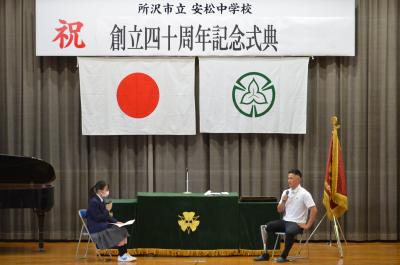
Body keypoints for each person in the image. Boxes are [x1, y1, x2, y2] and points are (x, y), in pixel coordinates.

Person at [254, 169, 317, 263]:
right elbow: (279, 210)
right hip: (285, 221)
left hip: (297, 223)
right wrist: (283, 201)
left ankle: (284, 256)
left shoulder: (304, 193)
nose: (289, 180)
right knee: (265, 227)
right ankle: (265, 254)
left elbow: (314, 210)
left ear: (298, 179)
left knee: (290, 231)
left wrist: (307, 225)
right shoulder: (286, 192)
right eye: (288, 178)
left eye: (291, 178)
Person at [86, 180, 136, 262]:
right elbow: (98, 218)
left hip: (102, 224)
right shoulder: (93, 202)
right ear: (99, 191)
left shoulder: (101, 200)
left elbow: (107, 217)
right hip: (96, 228)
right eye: (106, 189)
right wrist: (107, 210)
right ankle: (122, 255)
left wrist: (116, 222)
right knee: (118, 231)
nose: (107, 191)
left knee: (122, 228)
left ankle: (124, 253)